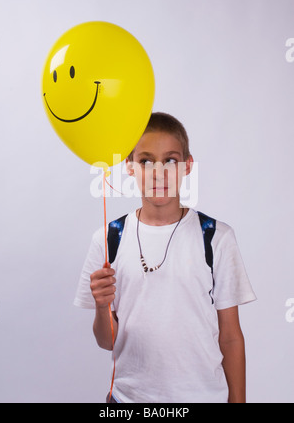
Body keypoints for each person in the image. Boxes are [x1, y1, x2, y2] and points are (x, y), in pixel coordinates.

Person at [74, 112, 256, 403]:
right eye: (146, 160)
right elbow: (106, 341)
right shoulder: (109, 239)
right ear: (130, 166)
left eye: (170, 160)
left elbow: (231, 337)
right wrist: (101, 305)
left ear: (187, 166)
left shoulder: (215, 236)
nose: (158, 172)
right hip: (128, 400)